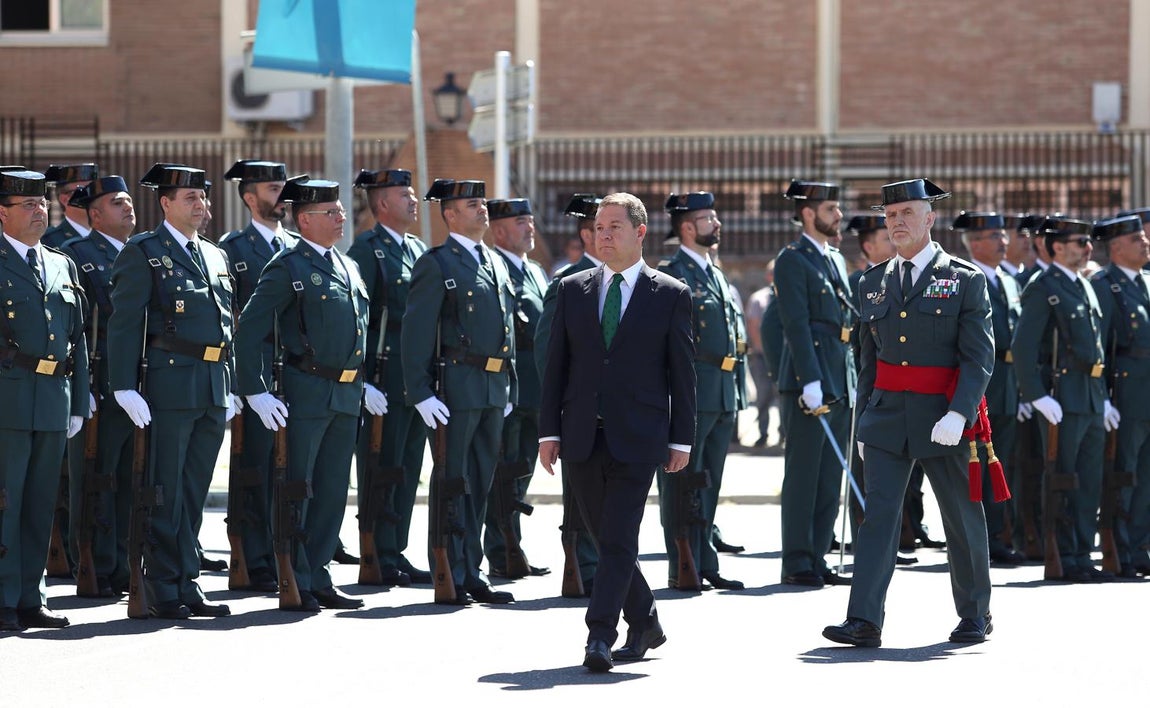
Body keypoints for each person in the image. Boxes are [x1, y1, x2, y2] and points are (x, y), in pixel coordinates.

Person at [823, 178, 996, 647]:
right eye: (890, 215)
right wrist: (864, 421)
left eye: (907, 213)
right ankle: (863, 619)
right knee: (878, 518)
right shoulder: (871, 282)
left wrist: (960, 413)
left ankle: (975, 612)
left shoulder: (964, 279)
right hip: (885, 417)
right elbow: (867, 360)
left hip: (943, 417)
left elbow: (978, 357)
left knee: (960, 516)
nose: (897, 222)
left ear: (929, 218)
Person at [538, 192, 696, 672]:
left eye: (614, 227)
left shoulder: (670, 293)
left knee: (620, 535)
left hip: (640, 436)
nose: (603, 235)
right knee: (606, 537)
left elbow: (683, 374)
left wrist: (681, 439)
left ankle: (600, 635)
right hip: (582, 434)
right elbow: (556, 366)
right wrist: (548, 432)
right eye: (599, 227)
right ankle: (645, 620)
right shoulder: (572, 289)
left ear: (640, 232)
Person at [235, 176, 376, 612]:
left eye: (340, 210)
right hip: (307, 391)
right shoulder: (288, 266)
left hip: (346, 393)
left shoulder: (347, 265)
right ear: (304, 219)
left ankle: (319, 573)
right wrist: (255, 390)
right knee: (300, 487)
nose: (340, 218)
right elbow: (250, 330)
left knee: (333, 490)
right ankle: (294, 575)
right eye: (330, 212)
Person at [106, 163, 240, 620]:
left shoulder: (215, 255)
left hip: (212, 386)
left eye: (203, 197)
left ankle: (188, 580)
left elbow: (227, 326)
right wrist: (124, 385)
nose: (201, 204)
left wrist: (231, 382)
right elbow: (124, 323)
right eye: (190, 198)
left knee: (194, 490)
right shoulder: (144, 252)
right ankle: (163, 585)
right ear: (165, 203)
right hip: (170, 385)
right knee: (164, 490)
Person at [401, 178, 518, 605]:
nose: (482, 209)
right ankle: (449, 569)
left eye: (482, 202)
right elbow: (415, 332)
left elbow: (507, 328)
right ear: (450, 214)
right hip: (456, 386)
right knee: (454, 481)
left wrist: (510, 383)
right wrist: (420, 392)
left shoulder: (495, 261)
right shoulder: (437, 263)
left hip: (492, 387)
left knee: (481, 481)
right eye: (472, 205)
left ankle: (472, 569)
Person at [0, 168, 89, 631]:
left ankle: (30, 598)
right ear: (2, 213)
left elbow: (78, 338)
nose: (40, 212)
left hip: (54, 396)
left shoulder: (60, 263)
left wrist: (79, 400)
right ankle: (3, 598)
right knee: (6, 504)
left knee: (40, 504)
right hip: (9, 398)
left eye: (42, 204)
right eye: (28, 205)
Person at [1012, 216, 1113, 583]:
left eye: (1088, 242)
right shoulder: (1044, 287)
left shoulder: (1083, 285)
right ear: (1057, 247)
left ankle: (1083, 555)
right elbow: (1023, 348)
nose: (1088, 248)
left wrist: (1104, 397)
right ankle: (1064, 556)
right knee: (1062, 479)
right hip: (1061, 397)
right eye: (1079, 243)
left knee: (1089, 481)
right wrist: (1037, 395)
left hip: (1090, 396)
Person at [346, 168, 432, 586]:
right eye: (405, 195)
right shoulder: (367, 250)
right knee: (382, 466)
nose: (414, 201)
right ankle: (377, 551)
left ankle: (396, 549)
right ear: (382, 203)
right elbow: (356, 318)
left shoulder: (417, 249)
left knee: (409, 466)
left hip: (415, 378)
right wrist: (362, 380)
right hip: (383, 377)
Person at [655, 191, 744, 591]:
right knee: (681, 482)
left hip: (722, 391)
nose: (717, 223)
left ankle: (705, 559)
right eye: (709, 218)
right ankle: (682, 562)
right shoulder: (671, 273)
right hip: (692, 391)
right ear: (688, 227)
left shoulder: (715, 272)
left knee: (709, 482)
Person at [216, 159, 296, 591]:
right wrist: (236, 382)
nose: (282, 196)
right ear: (250, 197)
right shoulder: (233, 249)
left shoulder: (297, 246)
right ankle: (254, 557)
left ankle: (288, 548)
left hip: (295, 372)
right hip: (255, 376)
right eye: (272, 189)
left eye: (283, 187)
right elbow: (226, 319)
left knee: (290, 469)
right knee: (255, 469)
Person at [774, 179, 855, 588]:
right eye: (830, 209)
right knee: (804, 475)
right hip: (812, 380)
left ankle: (819, 554)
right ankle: (797, 560)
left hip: (838, 377)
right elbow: (796, 324)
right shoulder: (792, 260)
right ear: (808, 213)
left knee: (829, 477)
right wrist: (810, 379)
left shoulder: (834, 258)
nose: (838, 215)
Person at [60, 176, 137, 598]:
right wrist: (81, 385)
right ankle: (92, 563)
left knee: (131, 477)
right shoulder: (78, 255)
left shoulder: (141, 252)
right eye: (117, 202)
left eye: (128, 200)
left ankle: (124, 564)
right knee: (94, 477)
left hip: (137, 384)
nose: (127, 207)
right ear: (94, 214)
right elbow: (73, 328)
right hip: (99, 382)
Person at [535, 193, 602, 596]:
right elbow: (548, 351)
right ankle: (584, 568)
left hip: (619, 408)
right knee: (582, 496)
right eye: (605, 228)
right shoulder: (567, 283)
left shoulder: (627, 279)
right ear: (588, 235)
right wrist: (557, 413)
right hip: (580, 408)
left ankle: (606, 566)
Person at [482, 197, 551, 579]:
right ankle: (500, 550)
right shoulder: (493, 267)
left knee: (522, 471)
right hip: (509, 387)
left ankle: (514, 546)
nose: (530, 228)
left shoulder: (537, 272)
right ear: (499, 230)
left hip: (536, 388)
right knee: (502, 473)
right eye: (521, 222)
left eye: (530, 220)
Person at [954, 211, 1027, 566]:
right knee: (976, 466)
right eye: (995, 236)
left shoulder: (1008, 282)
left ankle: (996, 536)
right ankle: (974, 540)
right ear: (975, 243)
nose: (1004, 242)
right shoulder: (966, 278)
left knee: (1001, 465)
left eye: (1003, 235)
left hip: (1009, 387)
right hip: (980, 387)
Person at [1090, 214, 1150, 578]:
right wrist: (1102, 398)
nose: (1145, 243)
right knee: (1123, 474)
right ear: (1115, 247)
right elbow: (1098, 347)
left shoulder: (1146, 282)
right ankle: (1121, 549)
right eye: (1137, 239)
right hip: (1125, 394)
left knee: (1146, 476)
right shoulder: (1104, 285)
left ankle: (1141, 547)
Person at [744, 260, 780, 449]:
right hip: (762, 357)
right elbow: (753, 327)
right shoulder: (759, 298)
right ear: (768, 276)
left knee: (782, 396)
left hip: (781, 358)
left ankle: (783, 433)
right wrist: (766, 352)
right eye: (773, 273)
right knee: (763, 395)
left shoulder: (786, 296)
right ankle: (763, 433)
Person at [41, 163, 97, 249]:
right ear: (65, 199)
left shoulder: (107, 236)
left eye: (94, 191)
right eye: (85, 191)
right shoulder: (48, 240)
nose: (93, 197)